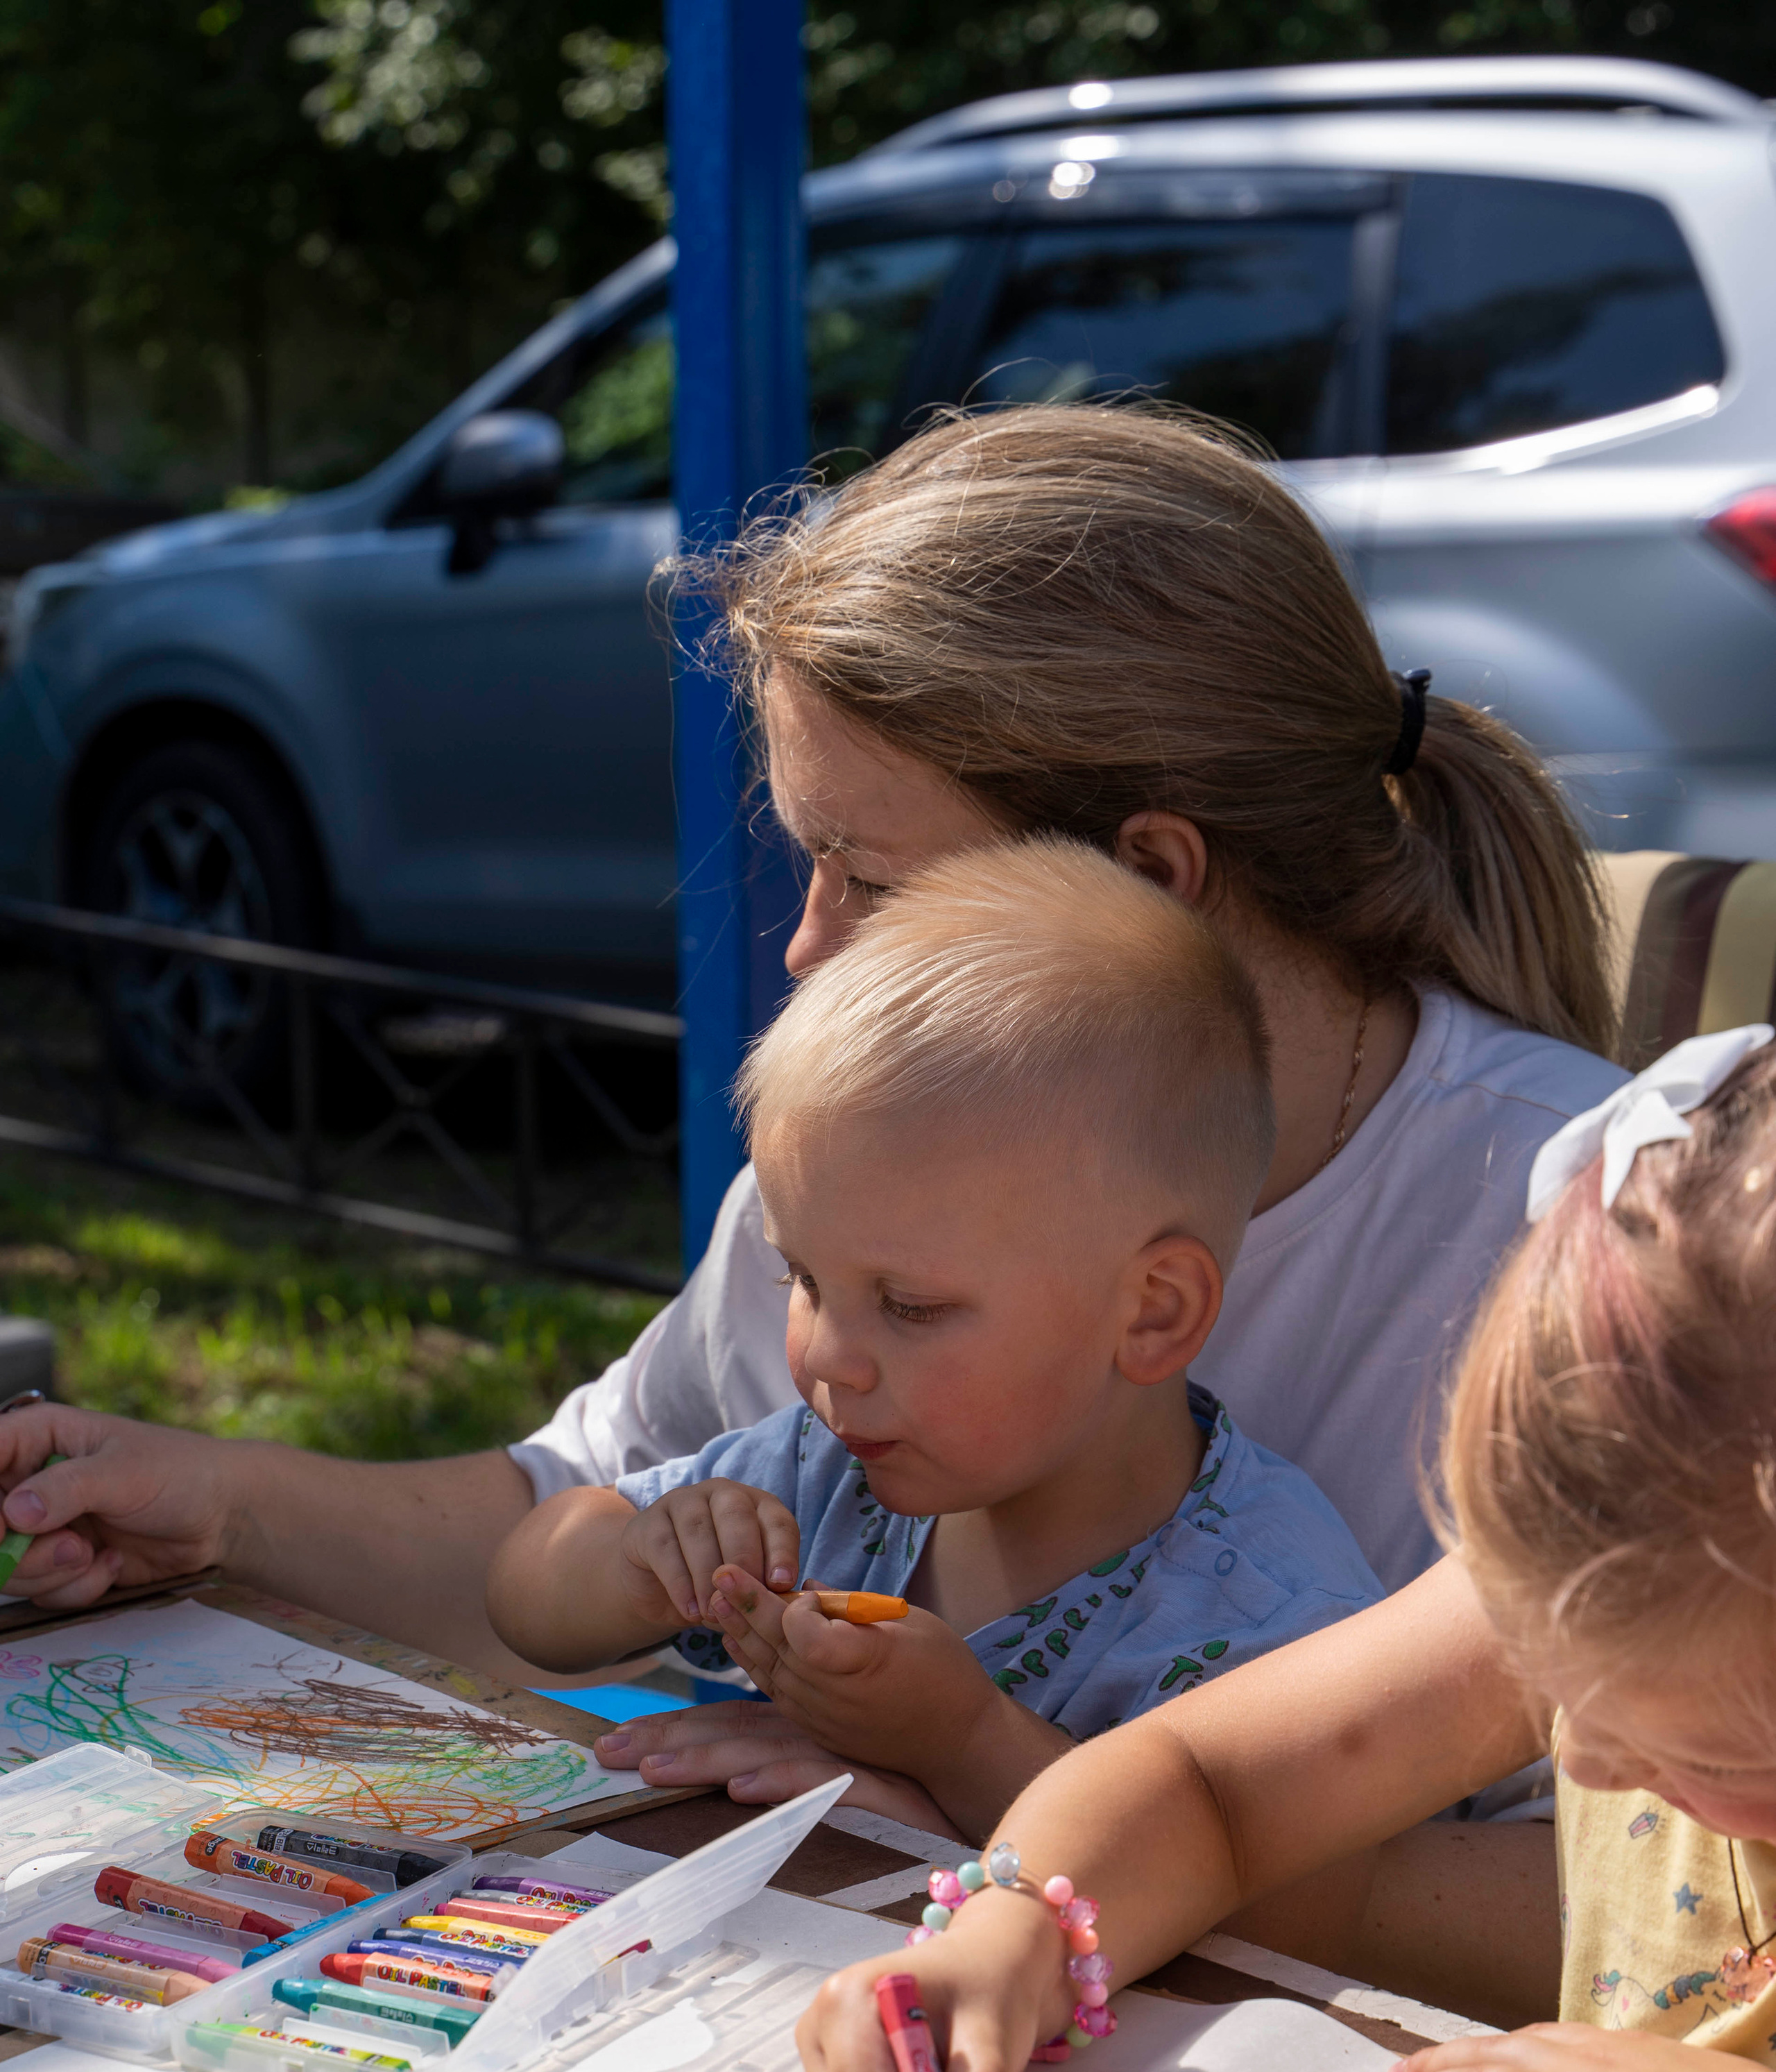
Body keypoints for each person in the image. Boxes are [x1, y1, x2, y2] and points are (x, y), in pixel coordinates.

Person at [0, 404, 1619, 1697]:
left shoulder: (1584, 1247)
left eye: (872, 880)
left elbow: (1628, 1913)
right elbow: (575, 1512)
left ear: (1150, 880)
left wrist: (1017, 1809)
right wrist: (218, 1503)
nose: (808, 948)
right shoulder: (891, 1157)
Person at [794, 1030, 1776, 2072]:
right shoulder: (1621, 1571)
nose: (1583, 1766)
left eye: (1716, 1747)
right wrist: (1010, 1931)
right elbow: (1207, 1784)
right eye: (1569, 1694)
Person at [485, 842, 1382, 1833]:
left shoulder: (1269, 1617)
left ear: (1153, 1311)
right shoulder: (827, 1480)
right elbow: (526, 1597)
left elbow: (1261, 1888)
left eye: (908, 1307)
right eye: (805, 1280)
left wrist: (960, 1748)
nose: (828, 1357)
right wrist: (639, 1562)